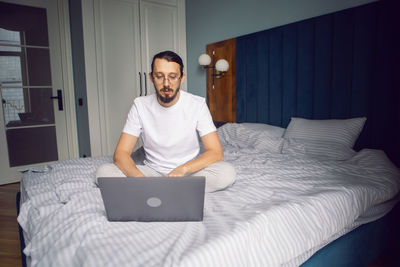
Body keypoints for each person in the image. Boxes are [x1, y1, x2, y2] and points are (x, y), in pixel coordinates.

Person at [96, 51, 236, 192]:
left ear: (181, 78)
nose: (166, 84)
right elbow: (121, 152)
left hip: (187, 173)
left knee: (227, 172)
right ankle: (172, 189)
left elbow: (216, 152)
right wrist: (139, 179)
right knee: (104, 172)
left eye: (173, 77)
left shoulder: (197, 104)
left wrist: (183, 169)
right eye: (159, 76)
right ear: (151, 77)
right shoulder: (140, 105)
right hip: (151, 172)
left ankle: (162, 189)